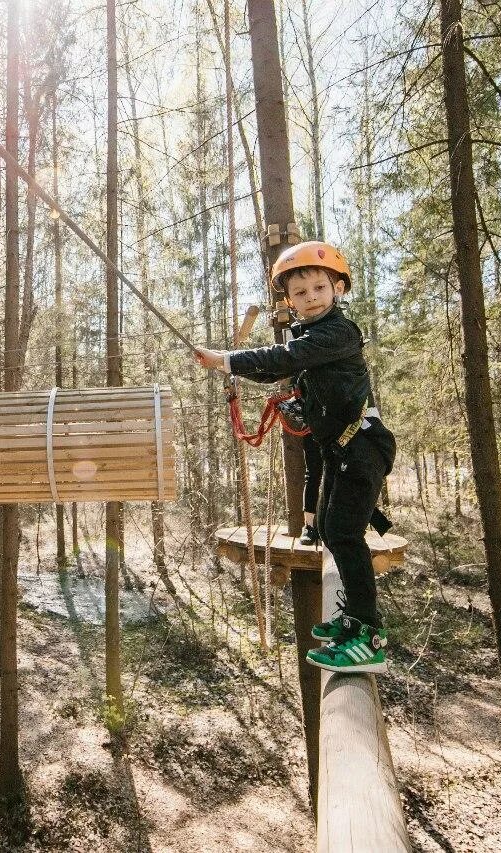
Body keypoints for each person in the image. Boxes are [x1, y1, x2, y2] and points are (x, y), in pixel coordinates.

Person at [192, 240, 394, 674]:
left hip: (361, 447)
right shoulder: (312, 338)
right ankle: (355, 621)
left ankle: (368, 636)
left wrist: (227, 360)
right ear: (289, 301)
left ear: (337, 288)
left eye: (319, 287)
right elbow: (274, 367)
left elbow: (283, 356)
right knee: (328, 526)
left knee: (342, 533)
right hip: (342, 448)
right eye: (301, 293)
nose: (311, 298)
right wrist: (227, 366)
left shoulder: (338, 332)